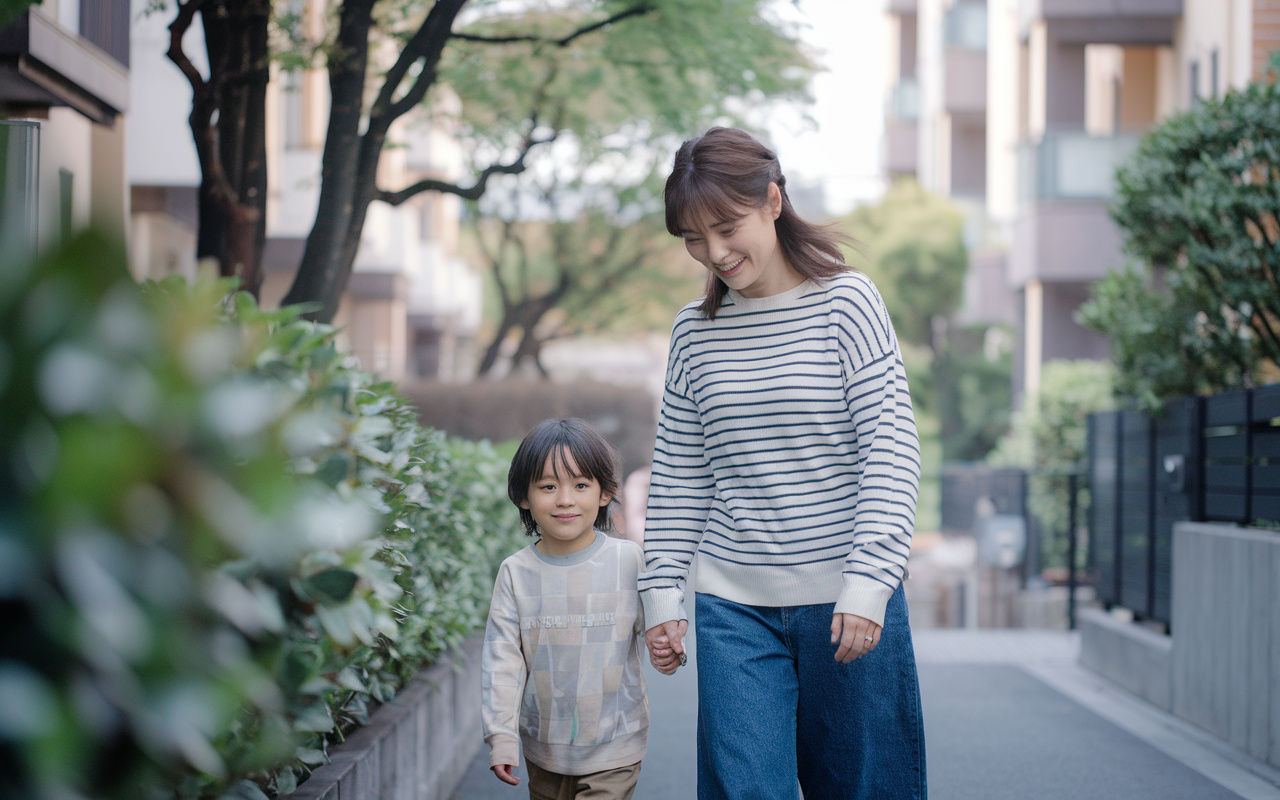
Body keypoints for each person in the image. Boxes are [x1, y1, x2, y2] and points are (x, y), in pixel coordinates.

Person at [640, 127, 927, 799]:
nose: (714, 253)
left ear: (773, 201)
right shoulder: (694, 333)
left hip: (849, 597)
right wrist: (661, 591)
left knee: (863, 789)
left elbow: (890, 449)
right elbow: (681, 472)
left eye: (726, 228)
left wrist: (870, 582)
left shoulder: (848, 304)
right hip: (733, 606)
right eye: (693, 238)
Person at [482, 418, 652, 800]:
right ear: (523, 496)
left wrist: (669, 643)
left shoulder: (628, 561)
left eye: (580, 485)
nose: (565, 499)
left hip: (616, 745)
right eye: (548, 486)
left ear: (605, 493)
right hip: (544, 749)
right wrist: (501, 736)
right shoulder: (516, 573)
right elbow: (502, 661)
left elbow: (657, 627)